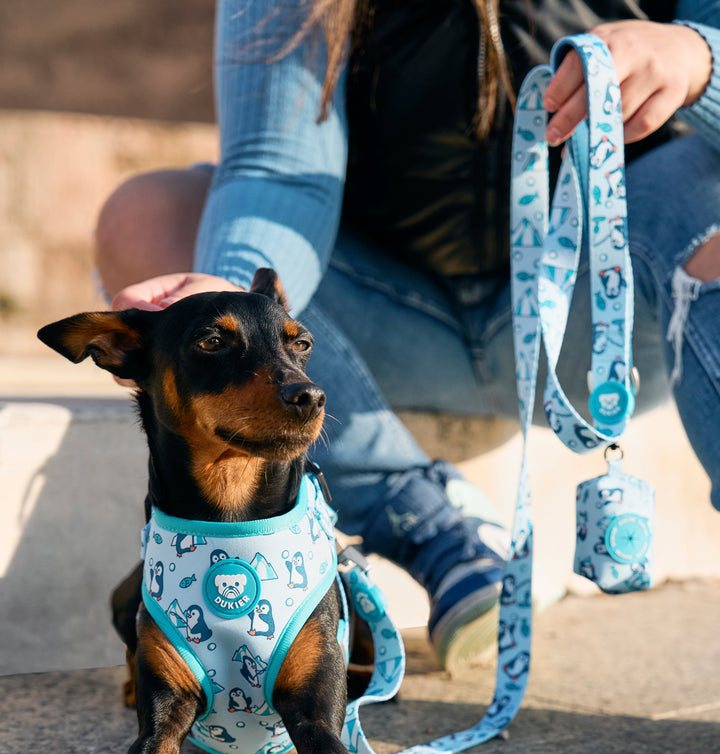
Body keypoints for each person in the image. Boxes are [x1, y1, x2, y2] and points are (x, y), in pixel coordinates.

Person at [94, 1, 720, 672]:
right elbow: (278, 167)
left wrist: (702, 59)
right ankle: (426, 523)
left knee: (699, 184)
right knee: (151, 218)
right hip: (378, 320)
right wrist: (223, 299)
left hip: (596, 318)